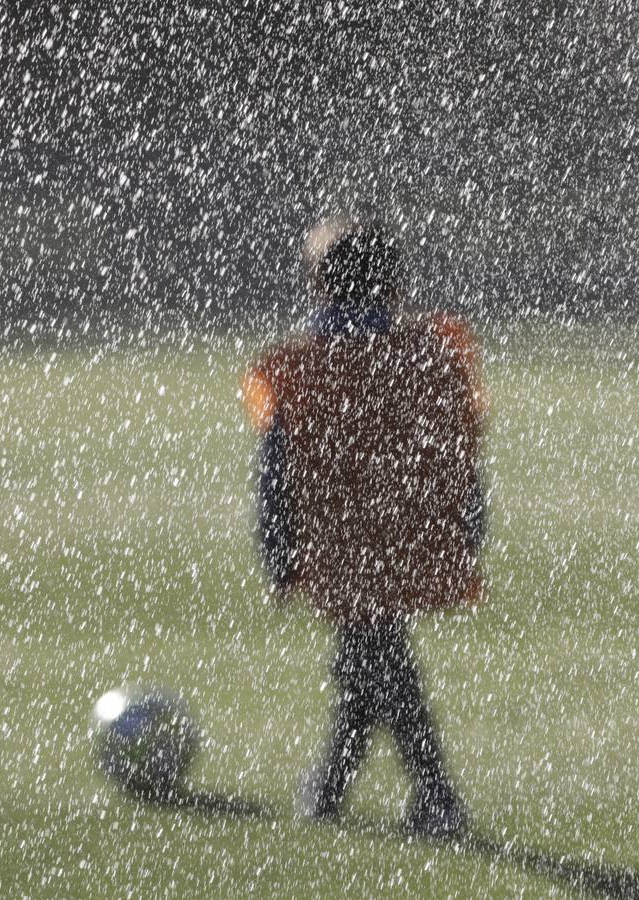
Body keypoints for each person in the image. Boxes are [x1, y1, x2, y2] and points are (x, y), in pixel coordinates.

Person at [240, 221, 488, 839]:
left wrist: (277, 550)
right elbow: (462, 455)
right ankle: (330, 787)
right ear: (396, 283)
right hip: (413, 535)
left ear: (319, 282)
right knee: (369, 658)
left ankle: (435, 796)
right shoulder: (435, 354)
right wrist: (466, 531)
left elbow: (278, 473)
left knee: (374, 657)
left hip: (341, 542)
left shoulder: (294, 368)